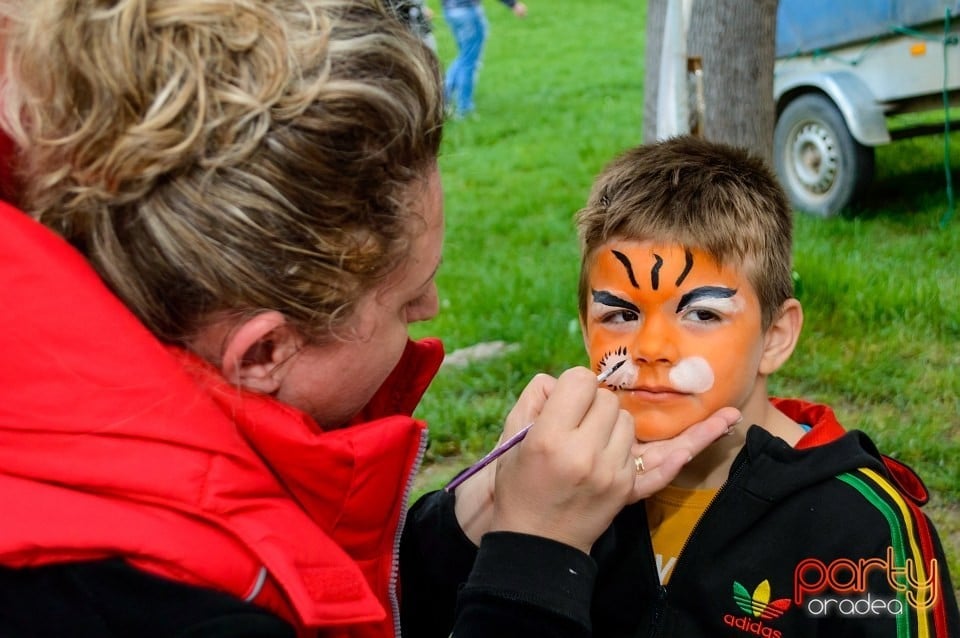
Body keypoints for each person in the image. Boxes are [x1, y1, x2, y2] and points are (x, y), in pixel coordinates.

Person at [0, 2, 738, 636]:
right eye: (406, 296)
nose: (431, 308)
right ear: (263, 354)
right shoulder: (150, 605)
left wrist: (474, 517)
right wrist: (538, 554)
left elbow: (305, 568)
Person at [404, 136, 960, 637]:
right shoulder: (558, 483)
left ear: (775, 335)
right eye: (619, 314)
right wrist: (492, 503)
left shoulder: (867, 531)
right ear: (583, 326)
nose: (651, 347)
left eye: (701, 314)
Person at [440, 0, 527, 119]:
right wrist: (513, 4)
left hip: (450, 10)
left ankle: (442, 98)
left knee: (464, 57)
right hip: (467, 12)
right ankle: (464, 108)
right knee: (469, 61)